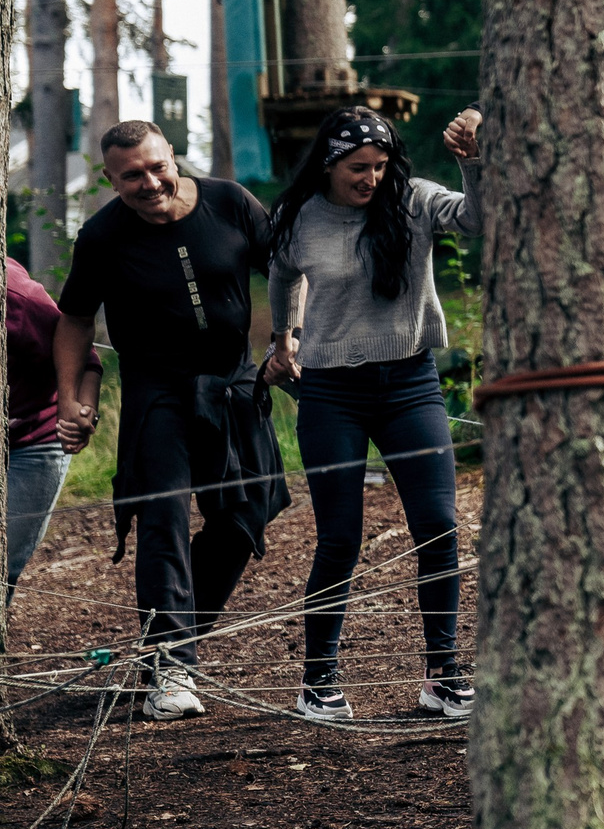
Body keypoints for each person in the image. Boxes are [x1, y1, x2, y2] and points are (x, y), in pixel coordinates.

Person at [54, 121, 290, 721]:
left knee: (246, 515)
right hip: (156, 391)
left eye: (158, 166)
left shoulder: (230, 202)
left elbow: (288, 266)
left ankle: (171, 645)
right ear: (111, 179)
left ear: (172, 157)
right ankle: (171, 664)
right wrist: (68, 398)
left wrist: (291, 335)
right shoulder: (103, 237)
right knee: (161, 516)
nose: (150, 182)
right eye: (131, 174)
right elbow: (74, 319)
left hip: (236, 384)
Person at [265, 107, 484, 721]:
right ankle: (318, 679)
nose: (371, 178)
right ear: (329, 164)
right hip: (331, 392)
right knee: (340, 538)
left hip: (410, 382)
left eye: (381, 166)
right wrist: (284, 339)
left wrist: (471, 161)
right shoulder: (298, 215)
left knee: (439, 524)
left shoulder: (413, 200)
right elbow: (281, 275)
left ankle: (442, 672)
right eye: (358, 167)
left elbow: (478, 219)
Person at [7, 257, 101, 611]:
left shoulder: (16, 298)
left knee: (1, 558)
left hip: (33, 437)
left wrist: (79, 408)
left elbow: (85, 357)